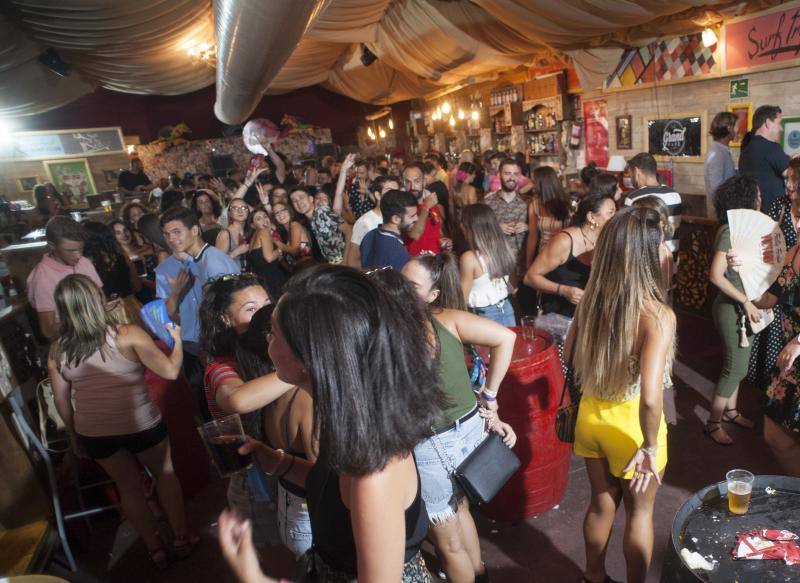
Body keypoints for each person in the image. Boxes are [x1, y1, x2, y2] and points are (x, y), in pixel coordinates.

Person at [224, 265, 448, 581]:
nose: (267, 342)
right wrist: (273, 459)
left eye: (273, 333)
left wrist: (252, 575)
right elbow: (333, 489)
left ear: (310, 358)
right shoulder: (347, 416)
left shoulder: (375, 473)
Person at [48, 274, 196, 569]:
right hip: (140, 423)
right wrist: (176, 338)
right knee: (164, 475)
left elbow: (62, 402)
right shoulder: (127, 334)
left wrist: (74, 436)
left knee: (127, 487)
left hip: (95, 432)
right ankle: (180, 539)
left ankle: (155, 549)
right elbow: (169, 371)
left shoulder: (58, 350)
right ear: (98, 300)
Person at [569, 207, 675, 583]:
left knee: (601, 504)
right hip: (632, 429)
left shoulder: (591, 300)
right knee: (641, 514)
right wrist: (649, 446)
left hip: (592, 418)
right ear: (648, 253)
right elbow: (650, 397)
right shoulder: (656, 314)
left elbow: (569, 357)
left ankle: (594, 576)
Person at [400, 255, 516, 583]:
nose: (400, 290)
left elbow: (508, 338)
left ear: (432, 294)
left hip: (434, 442)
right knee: (460, 507)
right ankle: (479, 573)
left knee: (448, 544)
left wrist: (491, 397)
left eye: (410, 286)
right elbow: (505, 338)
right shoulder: (447, 318)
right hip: (469, 428)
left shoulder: (400, 330)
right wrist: (489, 396)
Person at [199, 275, 291, 548]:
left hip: (286, 472)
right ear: (225, 319)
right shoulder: (222, 367)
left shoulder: (271, 353)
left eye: (267, 303)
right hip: (255, 483)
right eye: (251, 309)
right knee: (276, 558)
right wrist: (302, 369)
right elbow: (237, 400)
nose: (266, 313)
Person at [235, 305, 316, 557]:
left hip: (289, 508)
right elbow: (326, 484)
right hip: (311, 517)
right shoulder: (305, 398)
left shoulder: (266, 391)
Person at [156, 206, 240, 420]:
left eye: (177, 232)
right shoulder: (200, 260)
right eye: (167, 234)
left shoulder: (212, 260)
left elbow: (228, 310)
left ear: (194, 230)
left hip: (223, 347)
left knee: (229, 409)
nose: (171, 239)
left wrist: (211, 347)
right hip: (204, 347)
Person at [707, 175, 760, 445]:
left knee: (739, 364)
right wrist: (746, 301)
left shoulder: (743, 230)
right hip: (731, 310)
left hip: (742, 309)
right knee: (735, 368)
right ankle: (713, 422)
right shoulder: (729, 231)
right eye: (757, 195)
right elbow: (716, 276)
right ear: (747, 200)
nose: (760, 200)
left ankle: (731, 411)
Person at [524, 194, 616, 320]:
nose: (615, 217)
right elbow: (530, 278)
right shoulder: (564, 241)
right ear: (591, 217)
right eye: (611, 213)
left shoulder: (607, 240)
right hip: (560, 317)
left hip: (590, 316)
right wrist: (563, 290)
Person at [27, 216, 103, 339]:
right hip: (71, 342)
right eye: (71, 250)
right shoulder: (42, 278)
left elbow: (100, 299)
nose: (78, 256)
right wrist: (86, 321)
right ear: (52, 245)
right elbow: (48, 331)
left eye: (81, 249)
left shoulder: (84, 262)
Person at [459, 204, 516, 326]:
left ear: (469, 228)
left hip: (483, 315)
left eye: (462, 223)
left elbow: (461, 299)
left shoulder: (469, 258)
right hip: (506, 308)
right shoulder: (504, 248)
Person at [624, 153, 682, 259]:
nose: (631, 179)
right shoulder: (675, 195)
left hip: (646, 263)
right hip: (671, 260)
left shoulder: (633, 198)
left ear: (637, 171)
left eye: (631, 175)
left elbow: (628, 234)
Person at [739, 105, 790, 211]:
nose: (781, 129)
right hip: (772, 217)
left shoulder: (746, 149)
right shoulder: (771, 147)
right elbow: (793, 175)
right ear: (767, 123)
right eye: (779, 123)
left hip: (753, 215)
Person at [483, 158, 529, 272]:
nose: (512, 178)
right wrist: (496, 228)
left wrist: (528, 227)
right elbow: (477, 231)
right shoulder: (487, 203)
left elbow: (540, 231)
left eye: (516, 174)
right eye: (507, 173)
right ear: (499, 175)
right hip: (496, 266)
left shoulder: (528, 202)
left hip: (522, 267)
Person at [346, 175, 400, 269]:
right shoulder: (364, 222)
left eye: (397, 192)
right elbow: (352, 262)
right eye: (389, 192)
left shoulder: (400, 218)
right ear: (378, 195)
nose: (395, 197)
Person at [82, 221, 143, 303]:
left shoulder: (85, 265)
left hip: (108, 311)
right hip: (130, 304)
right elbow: (137, 286)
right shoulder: (122, 258)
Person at [359, 189, 418, 271]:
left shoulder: (370, 235)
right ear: (396, 219)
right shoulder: (398, 253)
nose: (416, 219)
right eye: (412, 216)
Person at [526, 166, 572, 268]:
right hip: (543, 254)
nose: (531, 186)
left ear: (543, 184)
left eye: (534, 182)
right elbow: (532, 236)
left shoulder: (565, 204)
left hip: (563, 254)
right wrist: (528, 263)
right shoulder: (534, 205)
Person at [402, 162, 450, 256]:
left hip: (436, 262)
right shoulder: (401, 207)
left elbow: (439, 231)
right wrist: (425, 207)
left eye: (417, 181)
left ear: (424, 182)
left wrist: (445, 242)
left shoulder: (431, 203)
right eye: (408, 182)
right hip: (417, 265)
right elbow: (414, 234)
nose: (412, 187)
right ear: (403, 183)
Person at [289, 186, 346, 264]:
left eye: (301, 198)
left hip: (346, 261)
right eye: (294, 201)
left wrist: (346, 261)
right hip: (334, 265)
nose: (298, 202)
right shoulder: (309, 222)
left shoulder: (321, 212)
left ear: (311, 199)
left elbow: (349, 231)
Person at [246, 206, 288, 299]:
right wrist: (282, 249)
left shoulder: (253, 238)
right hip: (274, 281)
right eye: (258, 219)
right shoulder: (263, 232)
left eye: (265, 216)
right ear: (253, 225)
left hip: (264, 283)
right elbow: (269, 258)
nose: (264, 220)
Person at [704, 111, 738, 218]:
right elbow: (716, 188)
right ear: (728, 128)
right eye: (735, 126)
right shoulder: (717, 153)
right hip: (721, 214)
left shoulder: (720, 150)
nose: (737, 130)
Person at [272, 201, 312, 270]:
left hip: (309, 271)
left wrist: (276, 242)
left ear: (289, 211)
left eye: (283, 210)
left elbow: (295, 251)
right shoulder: (286, 233)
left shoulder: (294, 225)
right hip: (300, 274)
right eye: (276, 213)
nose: (280, 214)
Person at [216, 198, 251, 263]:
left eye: (243, 208)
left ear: (248, 211)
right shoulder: (225, 234)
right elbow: (217, 262)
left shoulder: (251, 231)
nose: (240, 211)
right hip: (231, 272)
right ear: (230, 213)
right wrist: (235, 252)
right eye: (235, 208)